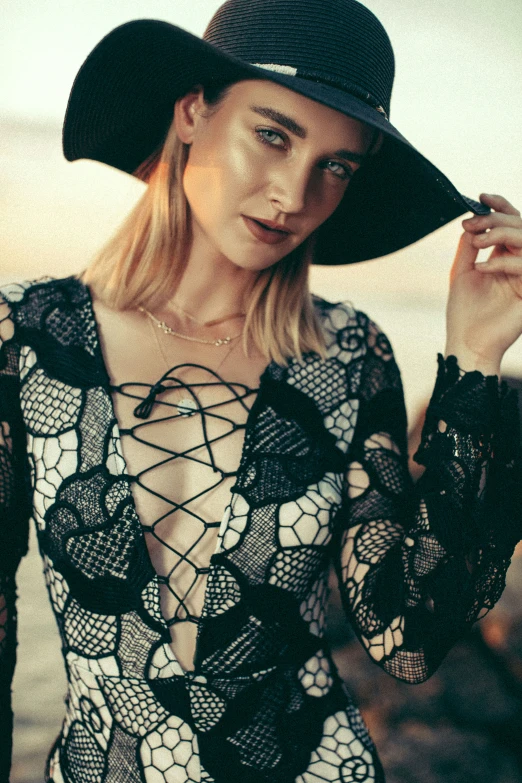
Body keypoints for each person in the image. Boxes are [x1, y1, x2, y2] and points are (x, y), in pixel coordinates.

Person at [1, 0, 522, 781]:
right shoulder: (28, 336)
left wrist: (475, 354)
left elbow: (403, 638)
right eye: (272, 134)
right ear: (192, 112)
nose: (293, 192)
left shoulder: (349, 357)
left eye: (336, 165)